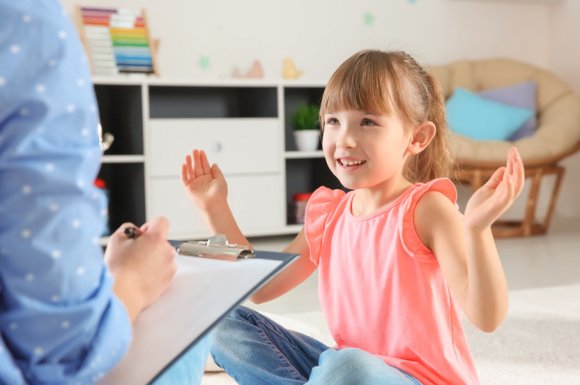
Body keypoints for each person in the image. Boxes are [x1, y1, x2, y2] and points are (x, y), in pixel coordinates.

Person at [181, 49, 525, 385]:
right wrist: (216, 207)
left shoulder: (427, 208)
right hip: (340, 369)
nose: (344, 139)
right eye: (333, 121)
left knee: (348, 367)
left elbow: (487, 317)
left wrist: (478, 230)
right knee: (222, 325)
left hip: (412, 378)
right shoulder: (328, 213)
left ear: (417, 138)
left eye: (367, 122)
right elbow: (262, 288)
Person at [0, 1, 207, 383]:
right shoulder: (29, 26)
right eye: (331, 122)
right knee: (189, 322)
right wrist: (131, 282)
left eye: (359, 121)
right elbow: (62, 349)